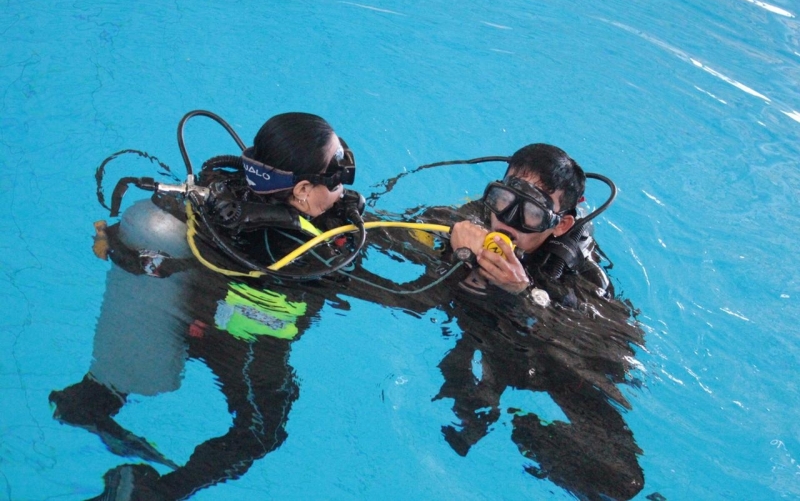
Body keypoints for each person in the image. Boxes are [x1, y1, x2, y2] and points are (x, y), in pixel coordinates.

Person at [49, 112, 363, 500]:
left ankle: (88, 402)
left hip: (179, 303)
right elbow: (389, 292)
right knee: (261, 433)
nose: (345, 181)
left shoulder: (225, 193)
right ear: (300, 189)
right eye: (338, 172)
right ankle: (155, 495)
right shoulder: (303, 251)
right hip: (239, 342)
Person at [339, 143, 646, 500]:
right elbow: (379, 231)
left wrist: (524, 294)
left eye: (532, 214)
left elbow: (615, 356)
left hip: (544, 360)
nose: (508, 222)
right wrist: (448, 246)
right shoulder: (459, 223)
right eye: (503, 201)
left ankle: (529, 430)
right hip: (475, 332)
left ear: (560, 224)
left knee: (622, 482)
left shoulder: (583, 278)